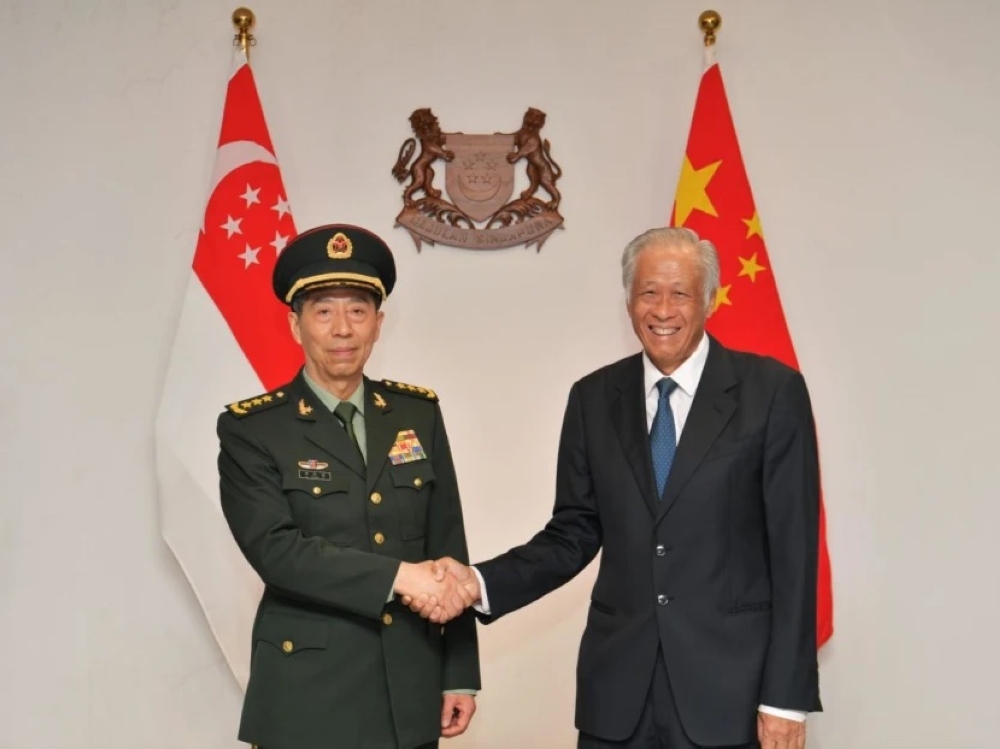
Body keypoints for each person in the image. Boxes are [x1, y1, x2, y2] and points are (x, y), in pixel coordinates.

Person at [407, 226, 822, 749]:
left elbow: (794, 552)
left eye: (680, 293)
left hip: (730, 696)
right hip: (618, 696)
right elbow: (573, 533)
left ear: (710, 300)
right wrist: (477, 583)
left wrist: (785, 698)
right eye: (649, 291)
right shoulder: (593, 398)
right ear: (629, 301)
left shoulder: (773, 392)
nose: (663, 309)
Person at [217, 223, 480, 749]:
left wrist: (458, 671)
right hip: (308, 694)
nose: (342, 329)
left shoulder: (416, 412)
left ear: (378, 324)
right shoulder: (253, 428)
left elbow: (447, 542)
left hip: (409, 682)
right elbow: (278, 552)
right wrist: (402, 576)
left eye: (357, 311)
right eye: (323, 312)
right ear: (295, 326)